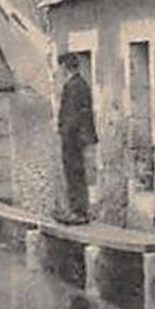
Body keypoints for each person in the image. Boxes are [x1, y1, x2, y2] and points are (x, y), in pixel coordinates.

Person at [57, 53, 98, 224]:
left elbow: (72, 116)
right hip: (78, 137)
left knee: (74, 173)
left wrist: (65, 133)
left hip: (73, 138)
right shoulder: (79, 84)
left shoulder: (73, 86)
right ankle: (77, 210)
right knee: (76, 173)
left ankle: (78, 212)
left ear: (65, 68)